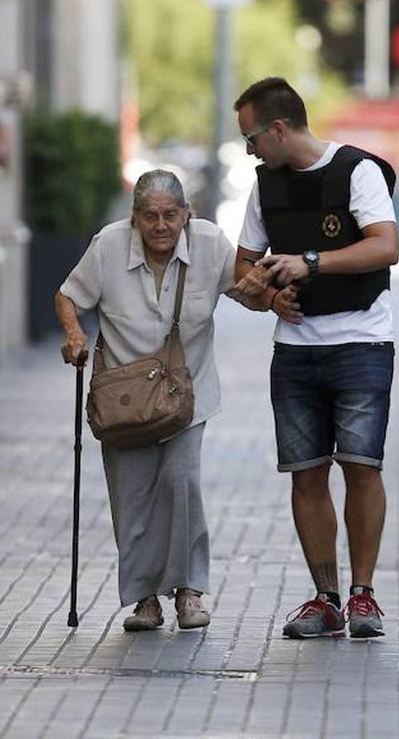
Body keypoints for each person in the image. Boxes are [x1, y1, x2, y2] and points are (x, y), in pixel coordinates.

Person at [231, 77, 399, 639]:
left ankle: (363, 596)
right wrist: (268, 297)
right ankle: (325, 599)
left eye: (252, 138)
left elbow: (385, 245)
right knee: (305, 474)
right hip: (295, 352)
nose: (249, 151)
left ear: (278, 129)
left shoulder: (357, 171)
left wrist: (310, 262)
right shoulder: (265, 187)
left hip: (361, 341)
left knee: (362, 466)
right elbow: (242, 266)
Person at [55, 169, 246, 632]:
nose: (161, 226)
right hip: (124, 397)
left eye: (170, 215)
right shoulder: (108, 246)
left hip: (186, 393)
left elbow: (247, 289)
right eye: (150, 216)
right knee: (133, 495)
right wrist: (74, 334)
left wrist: (274, 295)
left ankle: (188, 590)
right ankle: (145, 599)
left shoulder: (210, 244)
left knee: (181, 481)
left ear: (186, 215)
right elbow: (68, 296)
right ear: (134, 218)